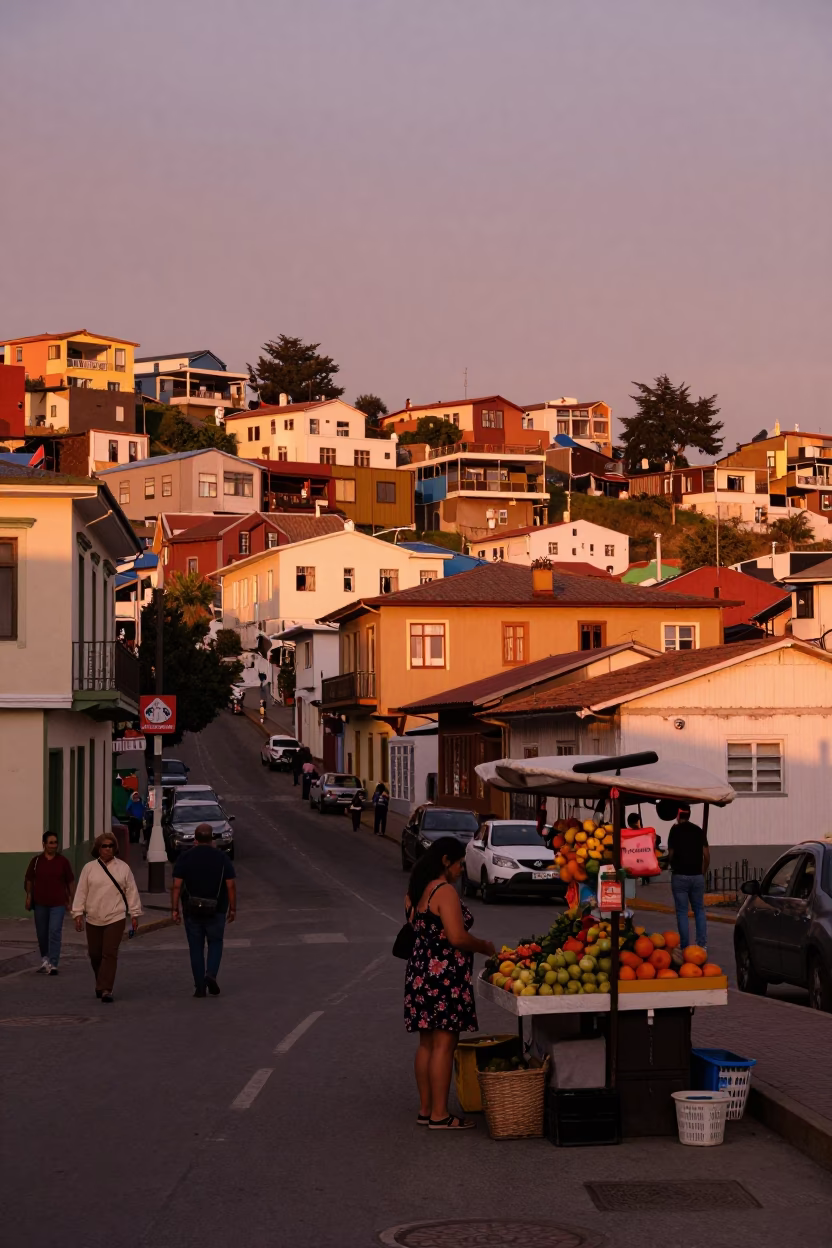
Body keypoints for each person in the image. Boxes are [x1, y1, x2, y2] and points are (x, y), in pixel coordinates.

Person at [404, 837, 495, 1130]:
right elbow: (456, 937)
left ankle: (425, 1109)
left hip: (419, 972)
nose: (460, 869)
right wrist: (483, 946)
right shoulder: (444, 892)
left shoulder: (415, 892)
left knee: (427, 1043)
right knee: (445, 1043)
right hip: (444, 976)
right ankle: (441, 1115)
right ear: (446, 861)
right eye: (458, 864)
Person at [72, 833, 142, 1003]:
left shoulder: (123, 868)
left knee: (109, 953)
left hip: (115, 916)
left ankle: (106, 989)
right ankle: (100, 982)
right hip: (93, 917)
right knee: (95, 954)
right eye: (104, 846)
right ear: (98, 848)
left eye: (111, 845)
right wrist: (77, 913)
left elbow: (131, 891)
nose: (108, 849)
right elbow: (81, 891)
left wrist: (135, 914)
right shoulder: (89, 868)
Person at [171, 823, 237, 998]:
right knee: (215, 942)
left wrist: (174, 909)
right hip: (217, 908)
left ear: (195, 838)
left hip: (192, 909)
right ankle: (211, 974)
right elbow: (230, 885)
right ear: (212, 839)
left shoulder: (185, 857)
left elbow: (177, 886)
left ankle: (200, 986)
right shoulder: (222, 858)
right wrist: (233, 908)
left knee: (196, 947)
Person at [24, 832, 75, 975]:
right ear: (44, 844)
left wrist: (72, 899)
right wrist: (28, 897)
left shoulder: (63, 862)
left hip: (58, 903)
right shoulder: (36, 861)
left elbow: (70, 881)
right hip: (40, 903)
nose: (54, 845)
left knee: (54, 931)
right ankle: (45, 959)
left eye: (55, 842)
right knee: (42, 933)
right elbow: (29, 880)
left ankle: (53, 963)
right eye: (51, 842)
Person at [667, 805, 710, 949]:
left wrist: (668, 863)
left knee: (682, 912)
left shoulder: (674, 830)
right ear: (689, 814)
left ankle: (685, 946)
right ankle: (702, 944)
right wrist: (702, 872)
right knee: (699, 910)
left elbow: (671, 853)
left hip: (679, 876)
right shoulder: (698, 831)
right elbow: (707, 855)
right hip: (697, 876)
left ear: (678, 815)